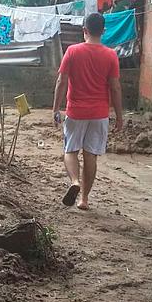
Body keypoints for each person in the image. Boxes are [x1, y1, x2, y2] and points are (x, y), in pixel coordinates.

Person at [52, 12, 124, 210]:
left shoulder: (73, 52)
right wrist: (119, 115)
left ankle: (74, 181)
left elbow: (61, 81)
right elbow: (115, 87)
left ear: (84, 30)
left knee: (70, 151)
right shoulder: (110, 55)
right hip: (100, 114)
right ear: (104, 31)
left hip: (75, 112)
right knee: (91, 155)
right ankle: (84, 200)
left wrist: (56, 108)